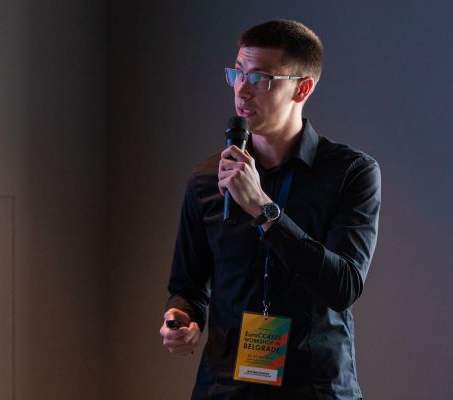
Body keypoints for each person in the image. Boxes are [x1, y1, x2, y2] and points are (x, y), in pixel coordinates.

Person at [159, 20, 381, 400]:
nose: (242, 89)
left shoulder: (351, 174)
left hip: (316, 387)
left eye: (260, 78)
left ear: (302, 88)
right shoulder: (207, 179)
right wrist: (181, 317)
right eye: (237, 73)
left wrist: (263, 208)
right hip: (225, 388)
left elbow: (342, 286)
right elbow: (188, 287)